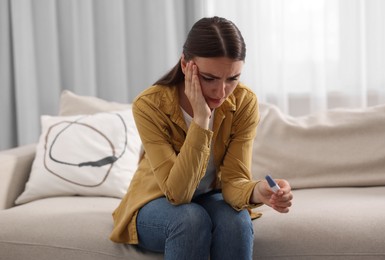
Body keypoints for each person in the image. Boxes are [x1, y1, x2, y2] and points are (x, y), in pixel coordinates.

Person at [110, 16, 293, 260]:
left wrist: (258, 191)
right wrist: (201, 120)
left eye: (233, 78)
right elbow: (178, 194)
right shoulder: (149, 105)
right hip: (156, 201)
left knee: (236, 220)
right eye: (210, 79)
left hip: (210, 197)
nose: (222, 92)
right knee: (190, 220)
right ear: (186, 65)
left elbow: (234, 179)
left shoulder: (244, 102)